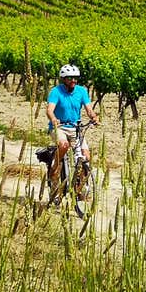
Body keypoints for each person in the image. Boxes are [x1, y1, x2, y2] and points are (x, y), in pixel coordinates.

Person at [45, 64, 99, 194]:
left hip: (75, 127)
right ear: (63, 79)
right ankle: (55, 167)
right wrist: (53, 119)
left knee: (86, 156)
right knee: (63, 145)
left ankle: (79, 189)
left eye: (75, 78)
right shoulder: (56, 92)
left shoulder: (82, 91)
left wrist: (93, 117)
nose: (73, 81)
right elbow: (49, 110)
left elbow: (89, 109)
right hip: (60, 127)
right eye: (70, 78)